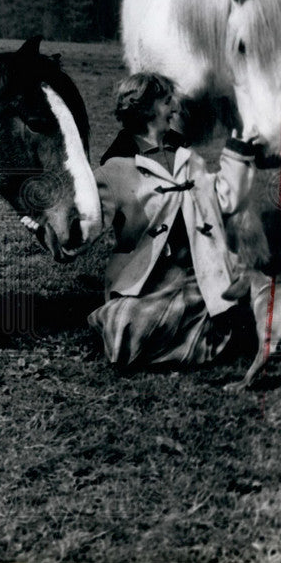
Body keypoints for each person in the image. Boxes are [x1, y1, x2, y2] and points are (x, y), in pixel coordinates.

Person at [87, 73, 257, 367]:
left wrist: (239, 147)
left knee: (236, 303)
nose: (175, 110)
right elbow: (86, 224)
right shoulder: (113, 169)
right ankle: (189, 337)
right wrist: (46, 229)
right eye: (167, 102)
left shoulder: (188, 158)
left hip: (196, 272)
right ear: (147, 108)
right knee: (128, 323)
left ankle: (195, 335)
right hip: (148, 281)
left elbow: (225, 199)